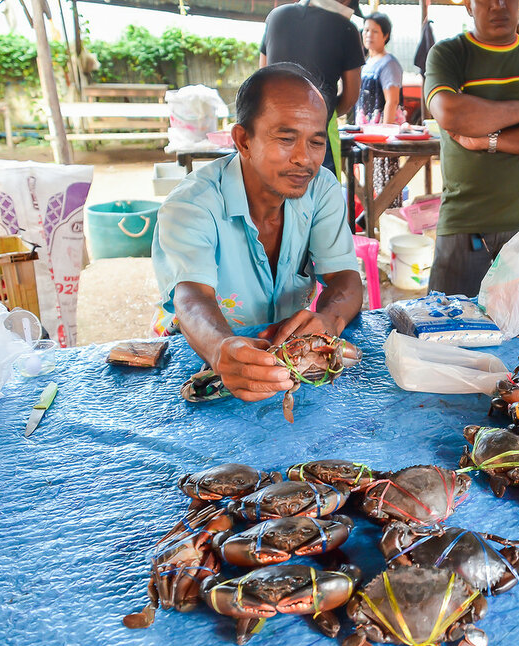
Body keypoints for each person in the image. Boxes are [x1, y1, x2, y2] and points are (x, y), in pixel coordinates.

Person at [152, 64, 364, 402]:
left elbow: (345, 277)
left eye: (316, 142)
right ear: (243, 140)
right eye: (286, 139)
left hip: (286, 351)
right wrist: (221, 348)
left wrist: (327, 320)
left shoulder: (321, 189)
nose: (304, 159)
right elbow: (191, 298)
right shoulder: (191, 204)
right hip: (203, 349)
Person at [423, 0, 519, 297]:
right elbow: (451, 114)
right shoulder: (449, 54)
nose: (499, 6)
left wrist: (488, 140)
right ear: (468, 5)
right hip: (465, 222)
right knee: (450, 329)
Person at [260, 0, 366, 179]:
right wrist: (324, 110)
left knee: (274, 200)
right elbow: (351, 96)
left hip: (272, 135)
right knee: (320, 202)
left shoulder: (275, 16)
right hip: (315, 139)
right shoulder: (346, 28)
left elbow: (261, 77)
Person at [357, 13, 405, 209]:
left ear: (385, 35)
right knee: (368, 186)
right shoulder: (366, 63)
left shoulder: (389, 63)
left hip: (382, 137)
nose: (369, 34)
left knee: (386, 184)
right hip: (366, 135)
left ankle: (391, 226)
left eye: (375, 31)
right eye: (366, 30)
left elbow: (391, 102)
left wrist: (384, 135)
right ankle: (372, 226)